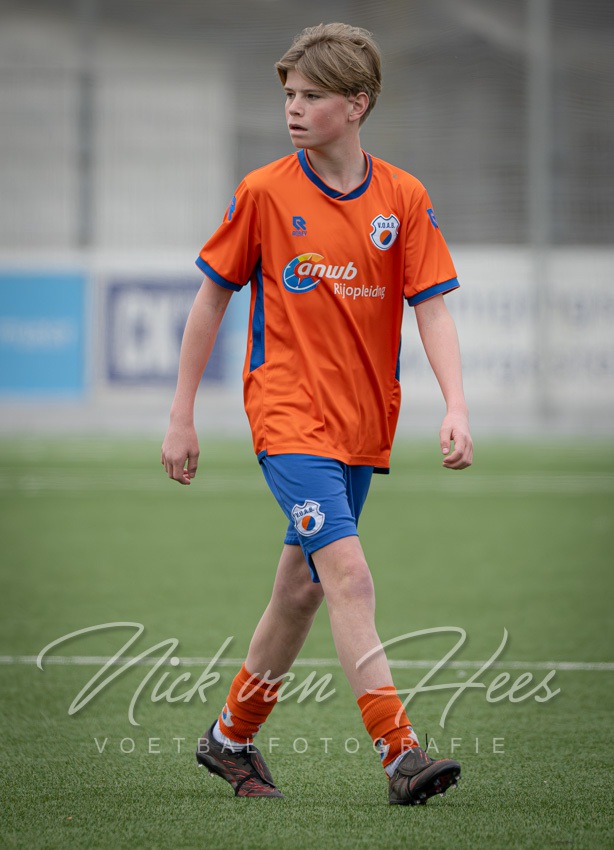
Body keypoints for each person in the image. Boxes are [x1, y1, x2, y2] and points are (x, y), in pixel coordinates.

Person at [161, 22, 473, 806]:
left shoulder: (403, 197)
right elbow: (210, 300)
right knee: (348, 577)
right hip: (288, 417)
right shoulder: (264, 193)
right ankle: (400, 755)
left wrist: (456, 405)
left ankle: (229, 739)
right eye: (289, 95)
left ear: (357, 104)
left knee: (301, 590)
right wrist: (181, 414)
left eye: (311, 96)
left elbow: (433, 309)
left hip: (362, 425)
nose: (293, 109)